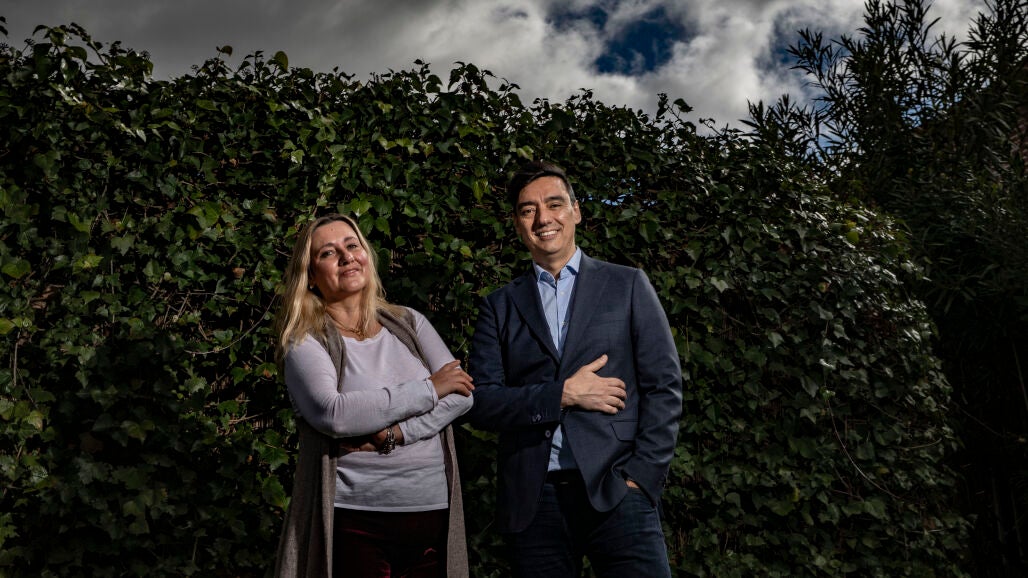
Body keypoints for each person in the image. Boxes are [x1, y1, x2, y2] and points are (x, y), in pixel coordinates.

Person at [465, 160, 683, 577]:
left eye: (554, 204)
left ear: (576, 211)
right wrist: (562, 395)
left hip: (618, 489)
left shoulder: (627, 284)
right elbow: (483, 403)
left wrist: (642, 476)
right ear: (517, 224)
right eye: (528, 210)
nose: (543, 218)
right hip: (535, 499)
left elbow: (664, 386)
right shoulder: (499, 306)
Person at [273, 213, 473, 578]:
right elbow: (335, 414)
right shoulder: (305, 341)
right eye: (328, 253)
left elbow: (462, 394)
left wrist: (397, 434)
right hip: (356, 517)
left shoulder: (409, 322)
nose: (346, 256)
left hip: (431, 509)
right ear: (311, 277)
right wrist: (430, 388)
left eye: (352, 245)